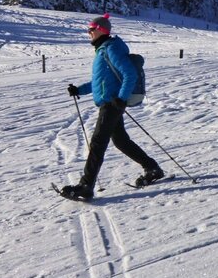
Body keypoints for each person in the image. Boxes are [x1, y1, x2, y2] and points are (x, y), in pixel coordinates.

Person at [59, 14, 163, 200]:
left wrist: (121, 99)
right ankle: (152, 168)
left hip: (112, 104)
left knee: (98, 142)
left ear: (101, 30)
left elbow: (129, 73)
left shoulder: (111, 48)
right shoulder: (103, 50)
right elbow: (100, 82)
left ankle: (86, 186)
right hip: (111, 102)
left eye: (91, 29)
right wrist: (79, 90)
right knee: (121, 141)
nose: (88, 33)